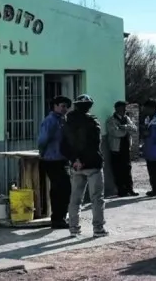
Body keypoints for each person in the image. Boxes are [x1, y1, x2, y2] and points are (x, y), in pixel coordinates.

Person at [63, 94, 107, 237]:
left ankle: (73, 228)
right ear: (89, 106)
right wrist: (84, 161)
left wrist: (75, 160)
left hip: (76, 166)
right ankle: (98, 229)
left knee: (75, 198)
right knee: (97, 198)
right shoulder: (92, 122)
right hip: (92, 164)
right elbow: (93, 144)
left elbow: (63, 145)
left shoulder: (67, 122)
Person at [35, 96, 73, 229]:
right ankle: (57, 219)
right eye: (62, 106)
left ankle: (60, 217)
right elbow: (42, 140)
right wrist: (42, 153)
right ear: (55, 106)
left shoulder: (63, 120)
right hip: (52, 160)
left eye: (67, 107)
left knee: (64, 188)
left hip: (62, 159)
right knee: (60, 189)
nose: (65, 109)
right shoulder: (50, 121)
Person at [106, 100, 138, 197]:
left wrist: (125, 127)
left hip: (125, 147)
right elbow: (115, 133)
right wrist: (126, 130)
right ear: (117, 109)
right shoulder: (111, 120)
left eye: (125, 107)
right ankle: (121, 191)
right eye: (123, 107)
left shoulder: (126, 118)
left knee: (127, 169)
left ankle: (130, 189)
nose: (124, 109)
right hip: (116, 149)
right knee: (118, 170)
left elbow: (134, 129)